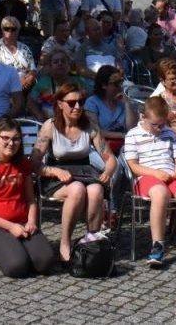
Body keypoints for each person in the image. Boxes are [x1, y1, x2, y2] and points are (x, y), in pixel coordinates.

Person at [123, 95, 176, 267]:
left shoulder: (169, 133)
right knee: (160, 194)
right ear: (143, 117)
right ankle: (158, 246)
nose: (160, 129)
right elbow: (133, 166)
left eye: (163, 124)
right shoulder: (133, 135)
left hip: (170, 174)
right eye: (156, 125)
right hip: (147, 176)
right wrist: (155, 173)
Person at [33, 84, 116, 260]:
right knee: (77, 189)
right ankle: (65, 241)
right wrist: (54, 171)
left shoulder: (89, 126)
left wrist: (108, 170)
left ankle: (91, 238)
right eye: (71, 103)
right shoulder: (50, 126)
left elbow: (110, 158)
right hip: (57, 175)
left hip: (84, 171)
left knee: (96, 190)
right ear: (60, 104)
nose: (77, 107)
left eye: (81, 102)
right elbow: (33, 163)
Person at [0, 118, 55, 277]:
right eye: (5, 138)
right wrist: (10, 227)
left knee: (46, 263)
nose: (11, 143)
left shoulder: (23, 164)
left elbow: (30, 201)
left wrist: (32, 222)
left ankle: (10, 248)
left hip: (22, 222)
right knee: (17, 267)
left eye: (15, 139)